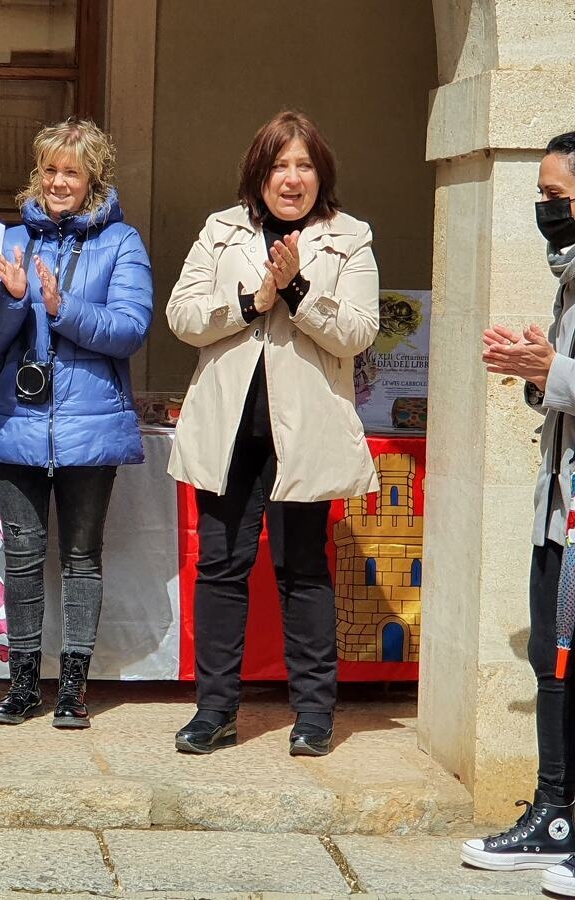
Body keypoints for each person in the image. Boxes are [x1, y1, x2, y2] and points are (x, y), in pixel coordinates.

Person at [166, 111, 379, 758]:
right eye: (280, 165)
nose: (292, 179)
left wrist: (300, 290)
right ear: (258, 174)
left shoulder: (350, 237)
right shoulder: (221, 230)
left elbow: (360, 331)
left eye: (304, 166)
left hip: (304, 432)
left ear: (322, 174)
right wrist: (253, 301)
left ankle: (314, 714)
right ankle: (215, 712)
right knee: (222, 567)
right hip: (231, 430)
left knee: (304, 568)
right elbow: (182, 315)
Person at [0, 117, 153, 729]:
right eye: (49, 169)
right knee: (21, 554)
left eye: (71, 171)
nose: (58, 181)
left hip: (89, 424)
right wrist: (14, 297)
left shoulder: (123, 242)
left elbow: (130, 329)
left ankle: (71, 688)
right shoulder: (11, 239)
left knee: (81, 556)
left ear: (93, 178)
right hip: (18, 420)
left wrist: (60, 307)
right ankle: (22, 685)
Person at [463, 132, 575, 889]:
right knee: (550, 656)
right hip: (556, 504)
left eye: (556, 197)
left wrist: (555, 369)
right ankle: (554, 813)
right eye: (541, 196)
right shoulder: (569, 280)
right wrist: (539, 374)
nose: (545, 210)